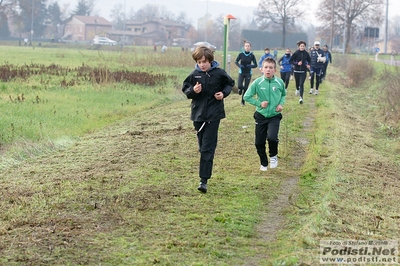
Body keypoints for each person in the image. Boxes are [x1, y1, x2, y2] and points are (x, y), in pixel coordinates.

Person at [182, 46, 234, 193]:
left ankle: (203, 180)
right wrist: (193, 91)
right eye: (199, 62)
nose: (202, 64)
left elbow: (230, 83)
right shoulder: (194, 75)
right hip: (198, 116)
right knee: (202, 146)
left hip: (214, 115)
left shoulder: (219, 73)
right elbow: (186, 90)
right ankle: (205, 154)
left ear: (210, 60)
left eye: (204, 61)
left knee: (207, 148)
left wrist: (223, 94)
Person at [244, 57, 286, 171]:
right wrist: (259, 103)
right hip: (261, 116)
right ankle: (263, 162)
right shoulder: (257, 82)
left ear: (275, 70)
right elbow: (246, 97)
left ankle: (273, 156)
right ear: (261, 69)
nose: (268, 70)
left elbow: (283, 95)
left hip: (274, 115)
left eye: (271, 68)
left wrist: (281, 104)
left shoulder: (279, 82)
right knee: (259, 142)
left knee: (272, 138)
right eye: (266, 67)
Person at [235, 40, 258, 106]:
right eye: (246, 46)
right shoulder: (241, 54)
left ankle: (243, 101)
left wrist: (250, 66)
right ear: (244, 47)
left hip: (248, 73)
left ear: (250, 47)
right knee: (240, 85)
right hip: (241, 72)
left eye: (248, 46)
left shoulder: (252, 55)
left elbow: (255, 65)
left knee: (246, 87)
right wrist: (240, 66)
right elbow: (236, 61)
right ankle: (240, 89)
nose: (247, 47)